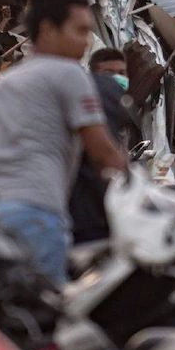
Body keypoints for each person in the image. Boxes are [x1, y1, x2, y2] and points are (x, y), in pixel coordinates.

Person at [0, 0, 128, 285]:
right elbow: (102, 153)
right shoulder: (70, 74)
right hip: (36, 213)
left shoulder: (4, 84)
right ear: (47, 29)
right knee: (44, 319)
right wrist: (142, 187)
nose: (86, 43)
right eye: (80, 31)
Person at [70, 48, 130, 243]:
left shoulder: (120, 104)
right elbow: (105, 157)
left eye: (121, 73)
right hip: (87, 213)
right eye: (108, 73)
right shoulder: (89, 103)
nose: (116, 79)